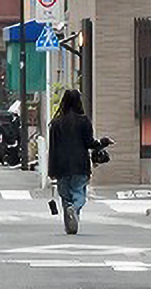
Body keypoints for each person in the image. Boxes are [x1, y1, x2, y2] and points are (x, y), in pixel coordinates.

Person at [47, 89, 111, 235]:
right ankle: (75, 210)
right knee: (78, 192)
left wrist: (51, 170)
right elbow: (89, 143)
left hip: (60, 165)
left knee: (65, 196)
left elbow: (52, 148)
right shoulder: (84, 121)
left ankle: (70, 225)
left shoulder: (56, 123)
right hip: (80, 164)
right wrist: (104, 142)